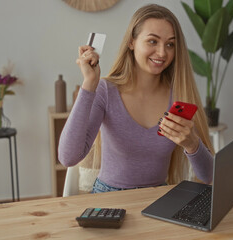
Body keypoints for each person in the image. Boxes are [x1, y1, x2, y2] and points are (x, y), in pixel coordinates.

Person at [58, 4, 214, 193]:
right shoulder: (105, 91)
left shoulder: (180, 95)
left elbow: (210, 176)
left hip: (158, 199)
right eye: (152, 41)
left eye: (170, 44)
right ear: (131, 42)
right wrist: (89, 82)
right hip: (109, 198)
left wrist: (192, 144)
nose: (162, 52)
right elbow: (68, 157)